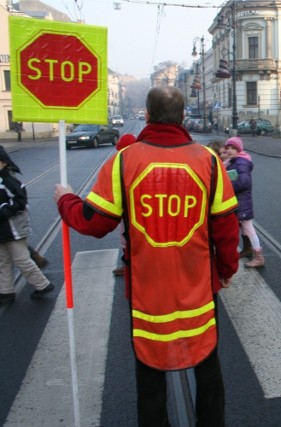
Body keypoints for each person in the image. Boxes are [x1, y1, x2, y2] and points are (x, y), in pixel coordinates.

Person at [54, 86, 240, 425]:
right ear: (183, 117)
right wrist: (227, 269)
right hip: (198, 288)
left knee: (149, 373)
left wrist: (65, 199)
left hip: (146, 295)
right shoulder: (209, 161)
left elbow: (94, 223)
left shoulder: (124, 160)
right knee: (208, 369)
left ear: (148, 115)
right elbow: (226, 226)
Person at [0, 146, 55, 305]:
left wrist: (3, 210)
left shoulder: (9, 181)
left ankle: (43, 285)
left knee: (22, 259)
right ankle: (6, 291)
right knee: (2, 261)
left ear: (3, 162)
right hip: (1, 231)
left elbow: (20, 202)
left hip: (14, 229)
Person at [225, 136, 265, 267]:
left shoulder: (241, 162)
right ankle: (247, 250)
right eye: (228, 148)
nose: (230, 150)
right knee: (243, 228)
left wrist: (228, 185)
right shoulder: (234, 161)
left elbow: (244, 183)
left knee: (249, 229)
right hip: (239, 201)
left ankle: (259, 258)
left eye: (233, 148)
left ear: (239, 149)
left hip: (242, 201)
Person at [112, 133, 138, 276]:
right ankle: (127, 262)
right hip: (131, 209)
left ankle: (129, 264)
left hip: (130, 209)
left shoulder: (125, 164)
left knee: (126, 238)